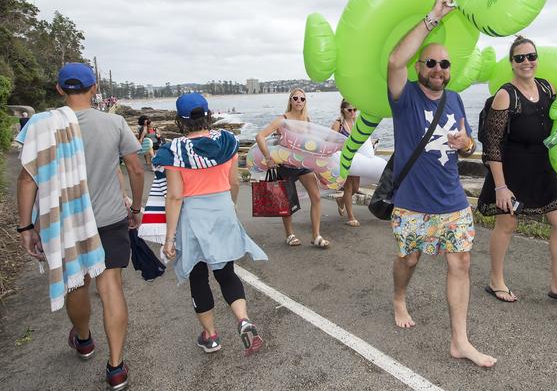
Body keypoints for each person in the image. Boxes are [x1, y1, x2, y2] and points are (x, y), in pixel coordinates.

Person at [16, 62, 144, 390]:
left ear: (59, 89)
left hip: (66, 221)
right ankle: (116, 367)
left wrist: (25, 227)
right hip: (110, 218)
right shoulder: (114, 122)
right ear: (94, 88)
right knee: (110, 284)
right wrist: (137, 207)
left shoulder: (41, 125)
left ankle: (84, 340)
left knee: (76, 282)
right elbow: (136, 168)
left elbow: (27, 178)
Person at [387, 0, 496, 367]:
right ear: (420, 67)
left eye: (444, 64)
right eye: (431, 63)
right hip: (411, 200)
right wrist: (433, 15)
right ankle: (399, 296)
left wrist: (467, 144)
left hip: (451, 199)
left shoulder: (454, 99)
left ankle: (460, 341)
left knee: (461, 263)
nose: (438, 69)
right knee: (410, 259)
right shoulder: (404, 98)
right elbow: (394, 60)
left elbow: (467, 144)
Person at [477, 36, 557, 307]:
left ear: (536, 59)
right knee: (507, 224)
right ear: (512, 63)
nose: (526, 62)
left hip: (542, 166)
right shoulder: (506, 95)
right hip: (511, 169)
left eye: (531, 56)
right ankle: (496, 280)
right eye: (520, 58)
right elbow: (492, 143)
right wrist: (500, 187)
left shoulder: (547, 87)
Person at [159, 93, 267, 355]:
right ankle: (243, 320)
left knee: (198, 277)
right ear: (208, 115)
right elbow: (234, 182)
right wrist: (229, 206)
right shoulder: (227, 142)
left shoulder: (174, 151)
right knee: (226, 272)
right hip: (222, 210)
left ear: (180, 120)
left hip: (194, 216)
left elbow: (174, 196)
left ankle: (211, 337)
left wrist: (169, 238)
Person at [255, 88, 329, 248]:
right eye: (295, 98)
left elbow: (311, 144)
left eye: (302, 99)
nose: (299, 101)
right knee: (286, 202)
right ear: (290, 100)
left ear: (305, 102)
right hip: (286, 165)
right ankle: (289, 234)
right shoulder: (282, 120)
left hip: (303, 165)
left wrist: (318, 165)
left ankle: (316, 235)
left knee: (316, 197)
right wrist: (268, 158)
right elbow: (260, 136)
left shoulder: (307, 120)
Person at [331, 99, 361, 227]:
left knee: (355, 188)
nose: (353, 112)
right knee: (348, 187)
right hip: (343, 158)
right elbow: (330, 140)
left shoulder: (357, 122)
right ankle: (351, 217)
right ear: (343, 109)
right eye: (350, 110)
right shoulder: (339, 124)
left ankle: (341, 200)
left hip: (358, 159)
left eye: (355, 110)